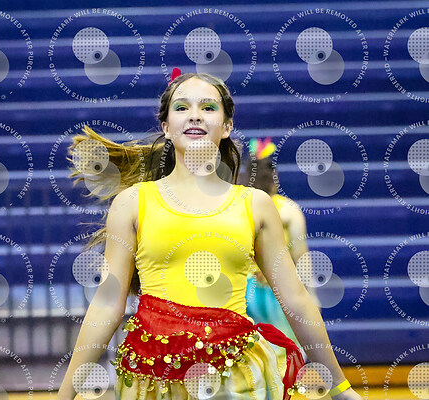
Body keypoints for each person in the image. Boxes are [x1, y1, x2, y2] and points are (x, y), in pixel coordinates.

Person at [57, 70, 361, 400]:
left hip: (234, 380)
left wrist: (340, 388)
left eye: (208, 107)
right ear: (166, 126)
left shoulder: (255, 205)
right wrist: (64, 395)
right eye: (182, 107)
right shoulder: (132, 203)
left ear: (227, 126)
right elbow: (106, 306)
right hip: (150, 379)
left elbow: (296, 299)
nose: (195, 115)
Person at [242, 138, 319, 374]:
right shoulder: (288, 210)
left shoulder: (241, 207)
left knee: (259, 353)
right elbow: (301, 255)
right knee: (280, 351)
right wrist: (311, 295)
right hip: (272, 289)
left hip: (250, 290)